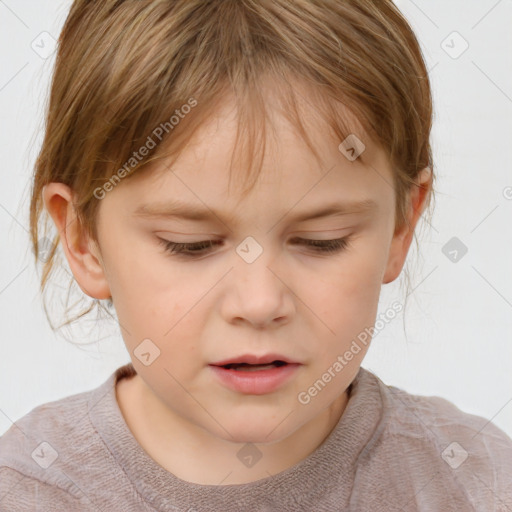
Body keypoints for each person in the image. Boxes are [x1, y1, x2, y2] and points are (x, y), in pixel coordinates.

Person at [1, 1, 511, 510]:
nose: (261, 301)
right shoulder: (25, 490)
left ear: (401, 226)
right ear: (83, 238)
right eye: (191, 245)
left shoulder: (479, 483)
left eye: (322, 240)